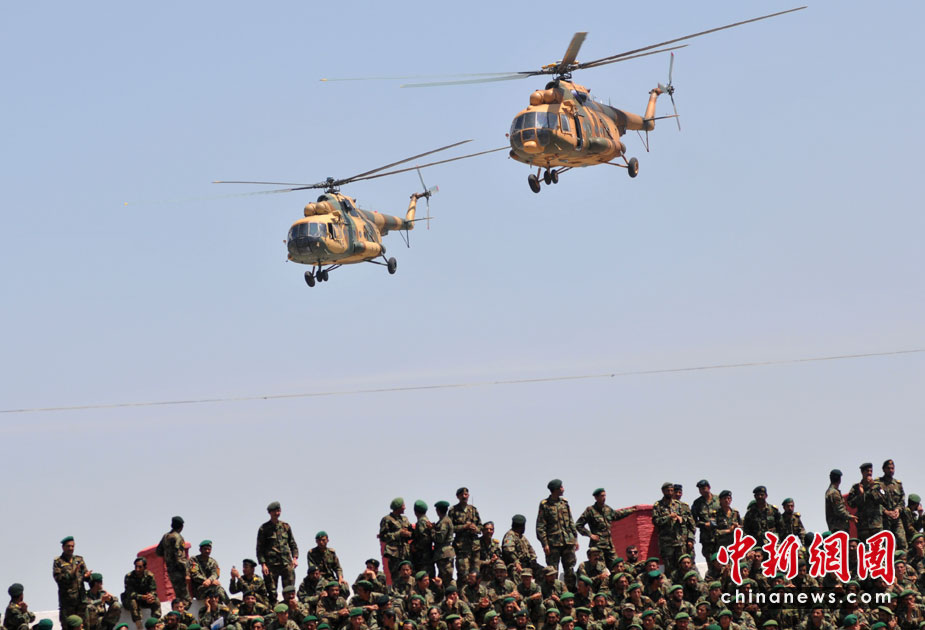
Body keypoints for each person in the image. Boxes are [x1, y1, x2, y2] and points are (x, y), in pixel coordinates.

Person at [576, 489, 636, 569]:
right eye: (602, 496)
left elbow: (617, 515)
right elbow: (578, 525)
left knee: (617, 565)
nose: (604, 498)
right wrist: (590, 535)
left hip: (609, 545)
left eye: (605, 495)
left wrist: (631, 510)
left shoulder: (607, 509)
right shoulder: (590, 510)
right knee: (601, 568)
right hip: (598, 545)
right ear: (596, 497)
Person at [537, 480, 579, 591]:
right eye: (561, 487)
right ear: (555, 490)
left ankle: (570, 594)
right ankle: (554, 593)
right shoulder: (545, 505)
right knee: (552, 571)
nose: (563, 489)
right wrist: (545, 544)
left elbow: (571, 522)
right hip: (553, 544)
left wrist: (575, 539)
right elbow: (540, 526)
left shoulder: (564, 503)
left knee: (570, 570)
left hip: (568, 542)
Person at [258, 501, 300, 604]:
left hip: (286, 563)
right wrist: (263, 564)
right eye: (274, 511)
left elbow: (292, 543)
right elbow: (260, 549)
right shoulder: (264, 528)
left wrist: (295, 558)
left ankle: (289, 610)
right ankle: (273, 610)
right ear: (269, 513)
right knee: (271, 592)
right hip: (271, 565)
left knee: (289, 591)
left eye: (278, 511)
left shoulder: (286, 526)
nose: (276, 513)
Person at [54, 536, 91, 625]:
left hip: (81, 600)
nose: (71, 548)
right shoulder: (58, 561)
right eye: (68, 546)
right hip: (68, 601)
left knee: (84, 625)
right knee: (68, 626)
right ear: (63, 547)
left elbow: (85, 575)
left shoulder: (79, 559)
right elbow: (58, 578)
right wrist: (71, 574)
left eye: (72, 546)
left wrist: (87, 576)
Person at [157, 516, 191, 607]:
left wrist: (168, 555)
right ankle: (182, 613)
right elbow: (180, 558)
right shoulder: (178, 537)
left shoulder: (166, 536)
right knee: (186, 600)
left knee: (179, 597)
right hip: (179, 570)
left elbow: (158, 552)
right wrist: (187, 572)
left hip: (170, 570)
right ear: (181, 526)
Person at [450, 489, 482, 583]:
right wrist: (464, 527)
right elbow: (450, 528)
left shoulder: (473, 510)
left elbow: (481, 527)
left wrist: (476, 529)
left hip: (474, 547)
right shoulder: (453, 510)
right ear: (458, 496)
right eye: (462, 495)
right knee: (464, 575)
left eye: (466, 494)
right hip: (461, 548)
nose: (464, 496)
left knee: (476, 575)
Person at [847, 464, 886, 542]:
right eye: (867, 471)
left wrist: (872, 488)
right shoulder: (856, 487)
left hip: (876, 524)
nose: (869, 473)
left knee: (878, 546)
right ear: (862, 472)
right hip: (863, 526)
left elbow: (882, 500)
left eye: (871, 471)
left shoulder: (877, 486)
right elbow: (851, 503)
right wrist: (861, 495)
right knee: (864, 546)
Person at [652, 483, 684, 574]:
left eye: (671, 490)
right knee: (669, 568)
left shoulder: (678, 504)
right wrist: (668, 517)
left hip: (678, 541)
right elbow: (655, 521)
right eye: (667, 491)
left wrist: (681, 518)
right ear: (663, 491)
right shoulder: (658, 505)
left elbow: (687, 518)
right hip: (666, 543)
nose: (670, 492)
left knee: (681, 566)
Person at [380, 498, 413, 584]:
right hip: (394, 554)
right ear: (398, 507)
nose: (405, 508)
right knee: (396, 577)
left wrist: (409, 534)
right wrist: (399, 534)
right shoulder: (387, 519)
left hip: (406, 553)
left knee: (408, 578)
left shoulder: (405, 519)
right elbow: (383, 536)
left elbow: (412, 532)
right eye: (403, 506)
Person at [121, 558, 160, 630]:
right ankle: (139, 627)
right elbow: (130, 594)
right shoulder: (129, 576)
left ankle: (155, 624)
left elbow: (153, 590)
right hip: (129, 601)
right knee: (133, 602)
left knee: (156, 601)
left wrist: (151, 597)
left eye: (140, 567)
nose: (137, 569)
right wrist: (142, 597)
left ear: (145, 567)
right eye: (136, 566)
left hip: (144, 600)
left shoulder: (150, 576)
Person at [502, 515, 542, 580]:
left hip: (526, 563)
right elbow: (508, 550)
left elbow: (531, 550)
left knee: (543, 571)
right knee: (516, 571)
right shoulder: (510, 535)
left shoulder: (522, 537)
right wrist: (516, 562)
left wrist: (533, 560)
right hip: (513, 564)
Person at [879, 459, 907, 550]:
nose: (891, 470)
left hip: (896, 517)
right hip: (884, 519)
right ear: (883, 469)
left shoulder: (898, 484)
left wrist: (898, 510)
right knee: (885, 543)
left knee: (902, 542)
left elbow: (902, 500)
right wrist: (885, 511)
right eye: (888, 468)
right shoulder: (878, 484)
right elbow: (875, 502)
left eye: (892, 468)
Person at [691, 482, 721, 562]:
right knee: (710, 561)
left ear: (709, 487)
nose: (702, 491)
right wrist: (704, 524)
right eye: (700, 489)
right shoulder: (697, 503)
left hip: (720, 536)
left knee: (722, 559)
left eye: (704, 488)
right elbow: (693, 520)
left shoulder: (719, 499)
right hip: (707, 538)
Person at [433, 502, 456, 587]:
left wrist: (432, 530)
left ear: (438, 510)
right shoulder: (442, 521)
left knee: (447, 578)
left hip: (444, 554)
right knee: (442, 578)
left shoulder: (444, 521)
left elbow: (440, 538)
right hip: (442, 554)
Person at [411, 504, 436, 579]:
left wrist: (416, 547)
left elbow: (425, 538)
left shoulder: (421, 522)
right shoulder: (426, 520)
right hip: (427, 557)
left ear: (415, 511)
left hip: (423, 558)